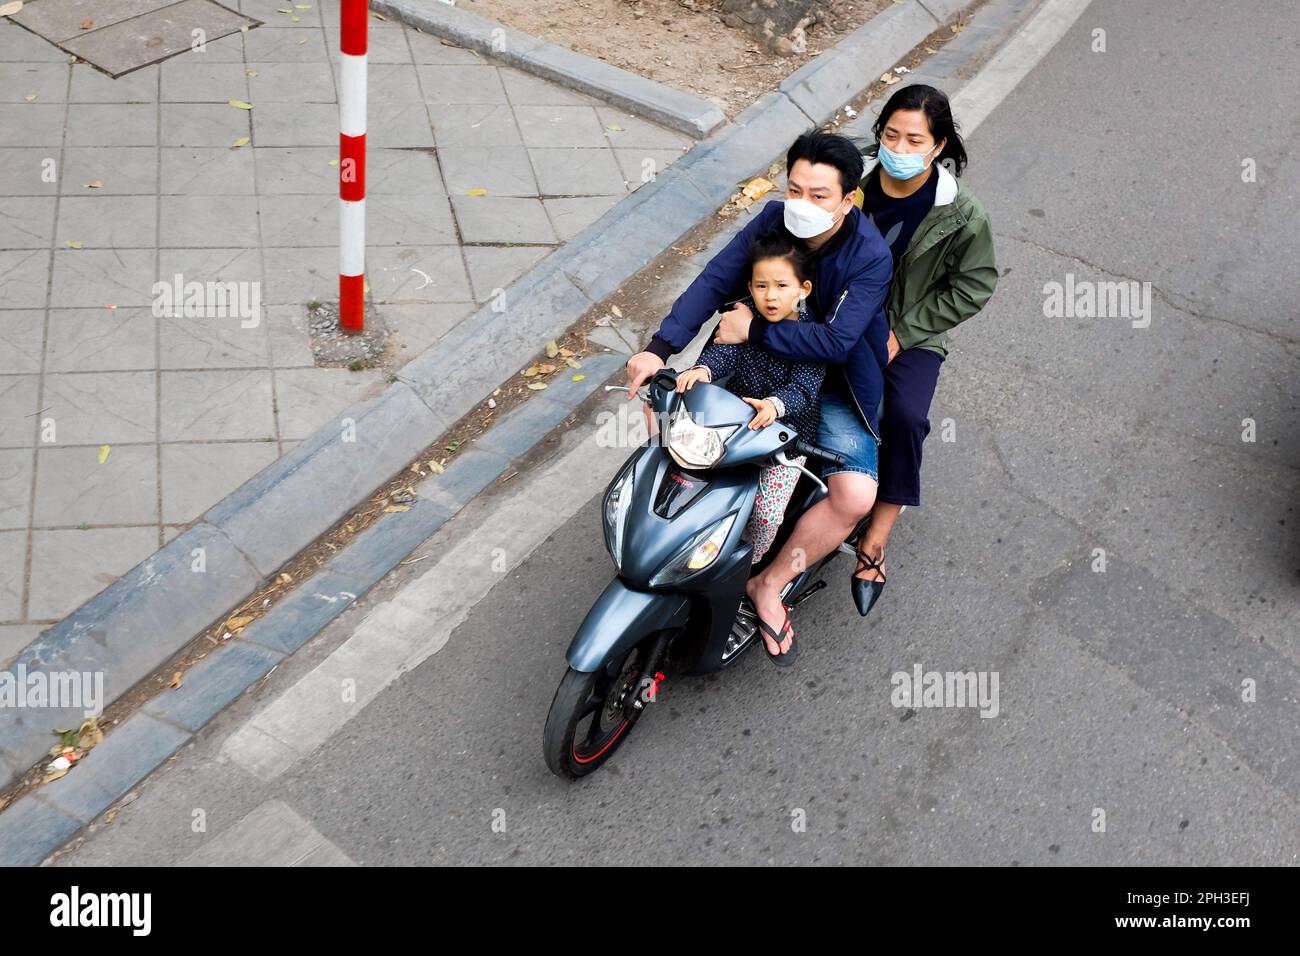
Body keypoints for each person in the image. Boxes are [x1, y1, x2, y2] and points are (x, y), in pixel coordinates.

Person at [627, 131, 892, 661]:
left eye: (819, 195)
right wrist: (661, 349)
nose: (802, 204)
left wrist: (754, 331)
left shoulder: (870, 255)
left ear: (847, 200)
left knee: (855, 497)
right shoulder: (773, 221)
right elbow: (715, 278)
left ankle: (766, 585)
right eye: (794, 188)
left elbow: (837, 343)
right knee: (669, 416)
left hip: (828, 383)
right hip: (747, 362)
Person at [847, 84, 999, 615]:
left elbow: (974, 284)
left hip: (910, 329)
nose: (900, 147)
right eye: (891, 135)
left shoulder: (960, 211)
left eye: (915, 139)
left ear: (938, 147)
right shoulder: (850, 177)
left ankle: (874, 539)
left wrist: (904, 333)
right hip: (834, 311)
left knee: (906, 416)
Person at [675, 231, 825, 663]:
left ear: (803, 289)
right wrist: (701, 371)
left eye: (781, 286)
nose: (770, 296)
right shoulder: (745, 321)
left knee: (765, 510)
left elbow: (805, 388)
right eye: (761, 286)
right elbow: (726, 357)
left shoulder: (809, 335)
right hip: (736, 431)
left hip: (784, 440)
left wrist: (776, 406)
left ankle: (747, 565)